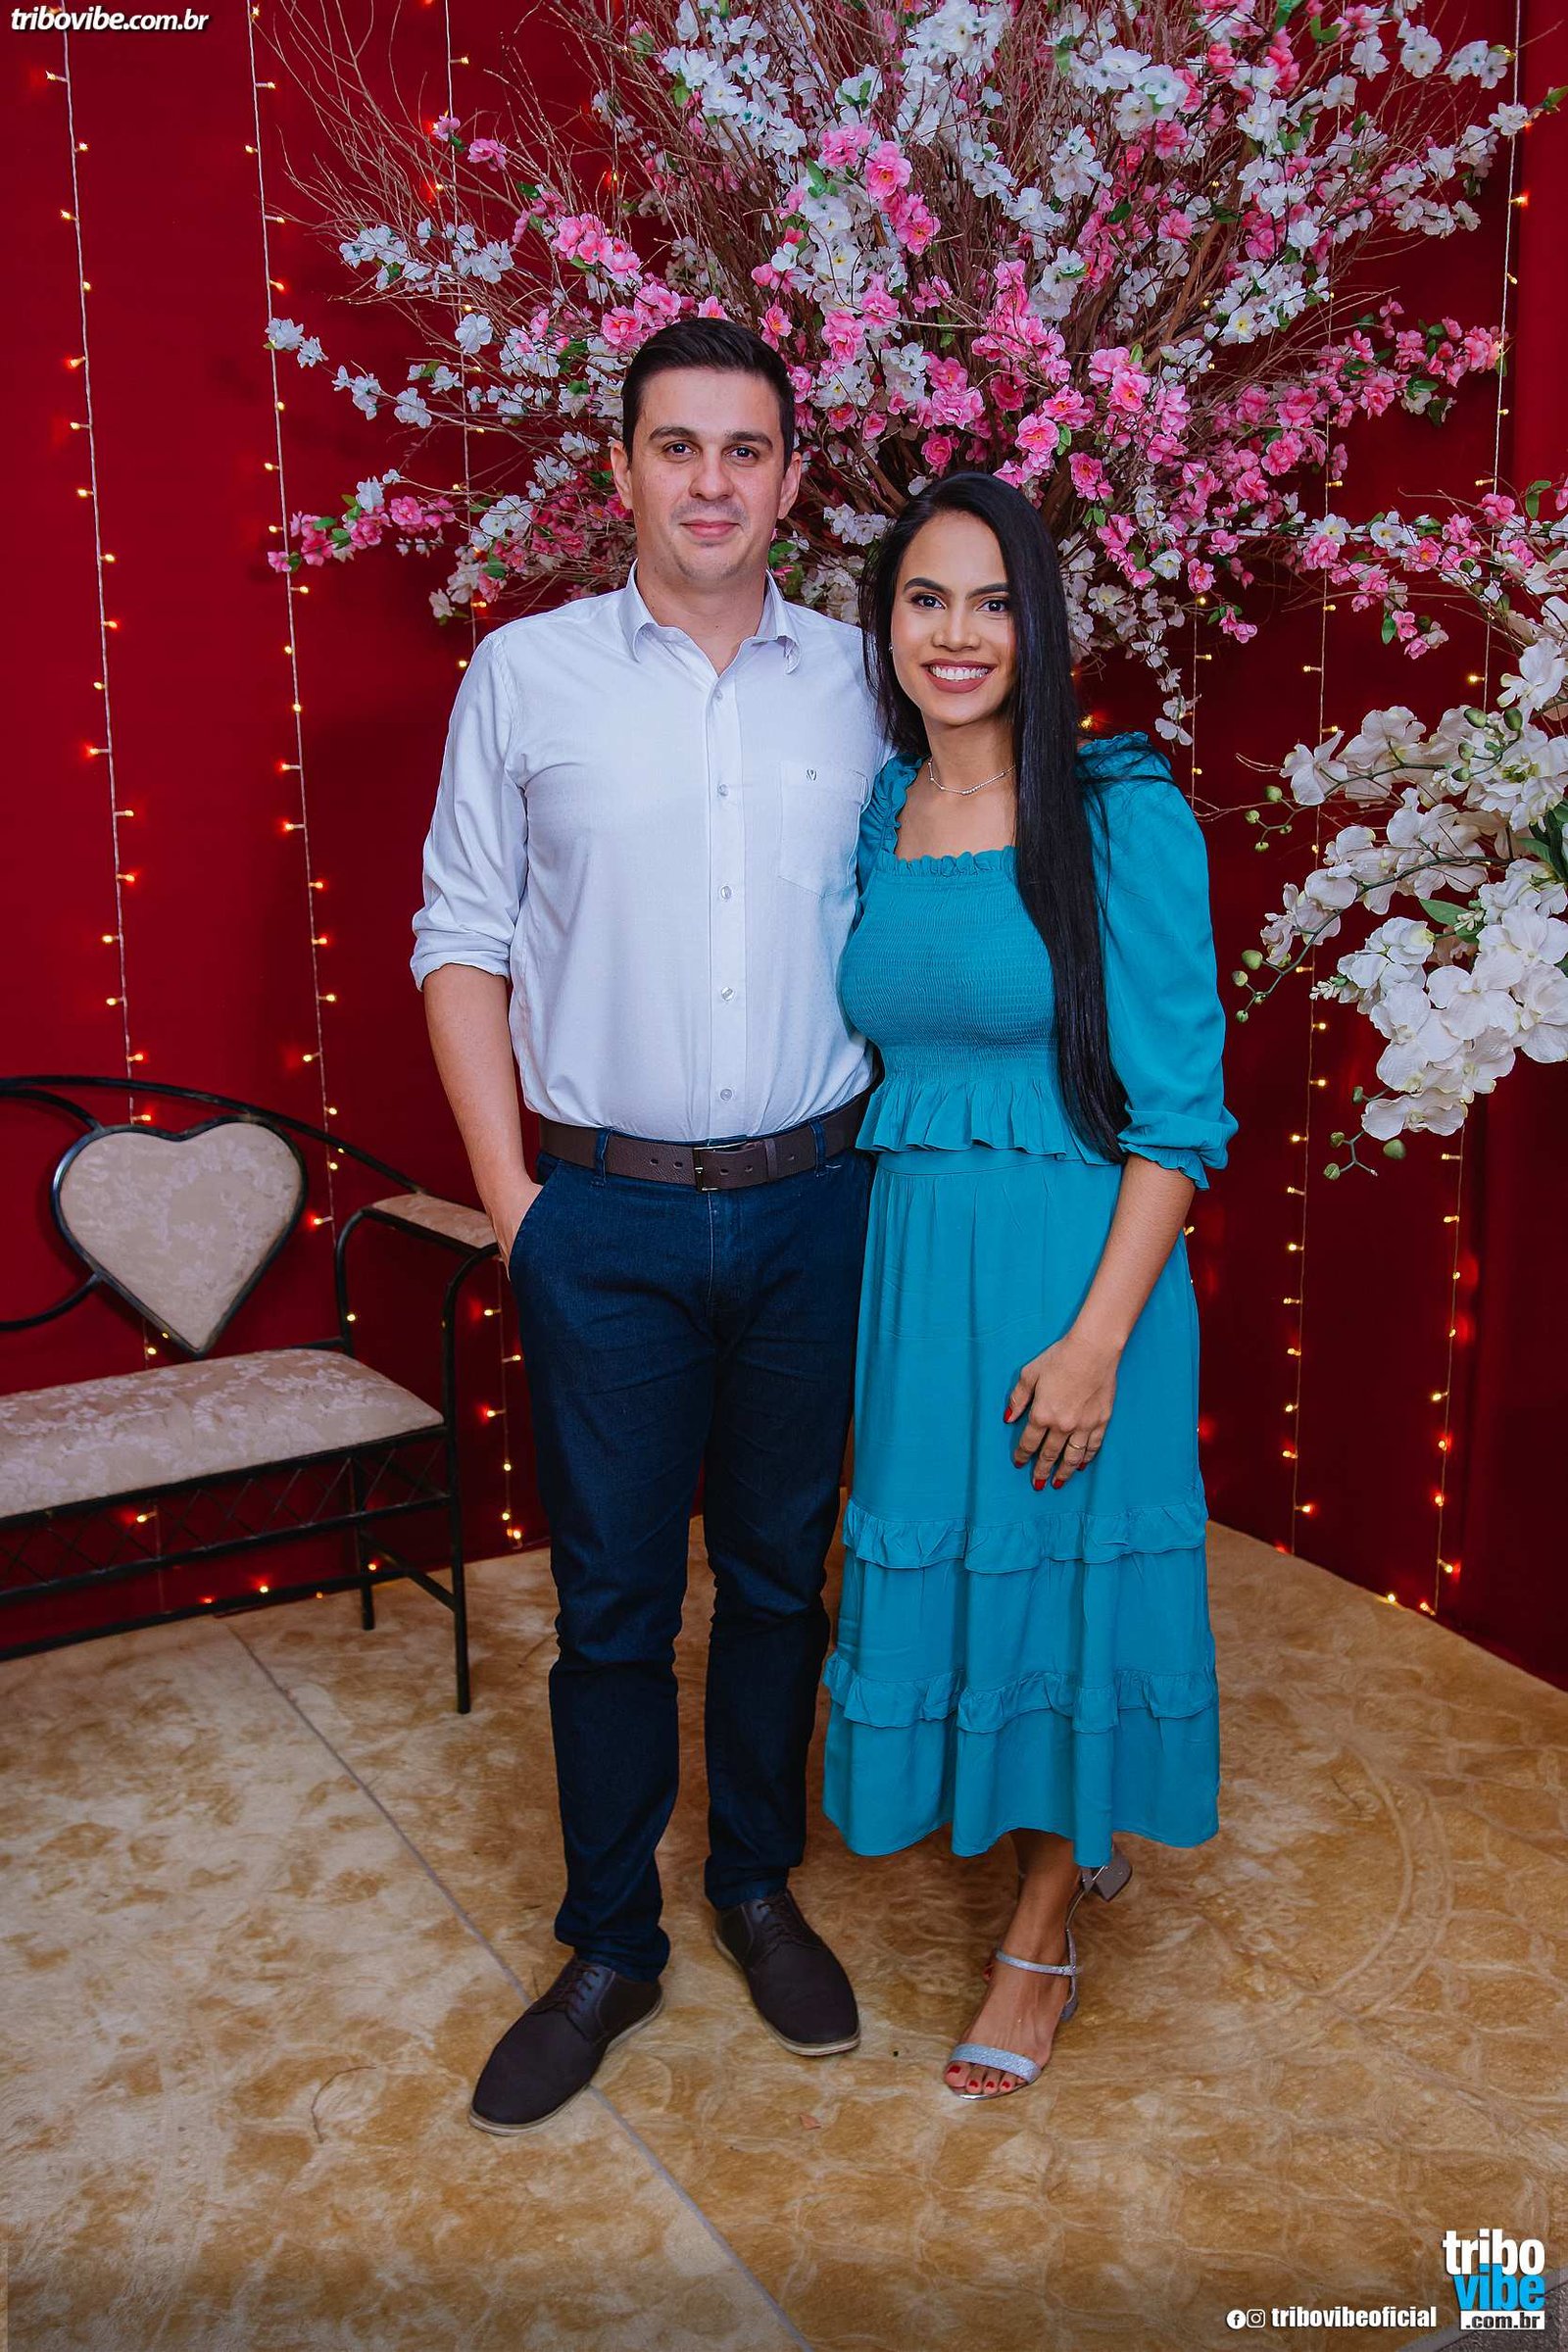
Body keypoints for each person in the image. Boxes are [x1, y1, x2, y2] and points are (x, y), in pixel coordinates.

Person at [411, 320, 886, 2132]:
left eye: (745, 450)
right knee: (611, 1603)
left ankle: (755, 1884)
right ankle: (612, 1942)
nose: (710, 481)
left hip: (815, 1204)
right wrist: (513, 1207)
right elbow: (461, 937)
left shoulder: (866, 678)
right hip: (597, 1215)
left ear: (791, 479)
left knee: (778, 1577)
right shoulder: (524, 675)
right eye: (676, 446)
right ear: (618, 471)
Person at [822, 471, 1237, 2098]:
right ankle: (1058, 1834)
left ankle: (1043, 1934)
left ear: (1042, 623)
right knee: (971, 1574)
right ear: (884, 622)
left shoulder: (1120, 809)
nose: (959, 634)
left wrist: (1098, 1340)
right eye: (926, 599)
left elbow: (1181, 1113)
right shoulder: (881, 811)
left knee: (1068, 1580)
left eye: (994, 602)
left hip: (1079, 1275)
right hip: (920, 1278)